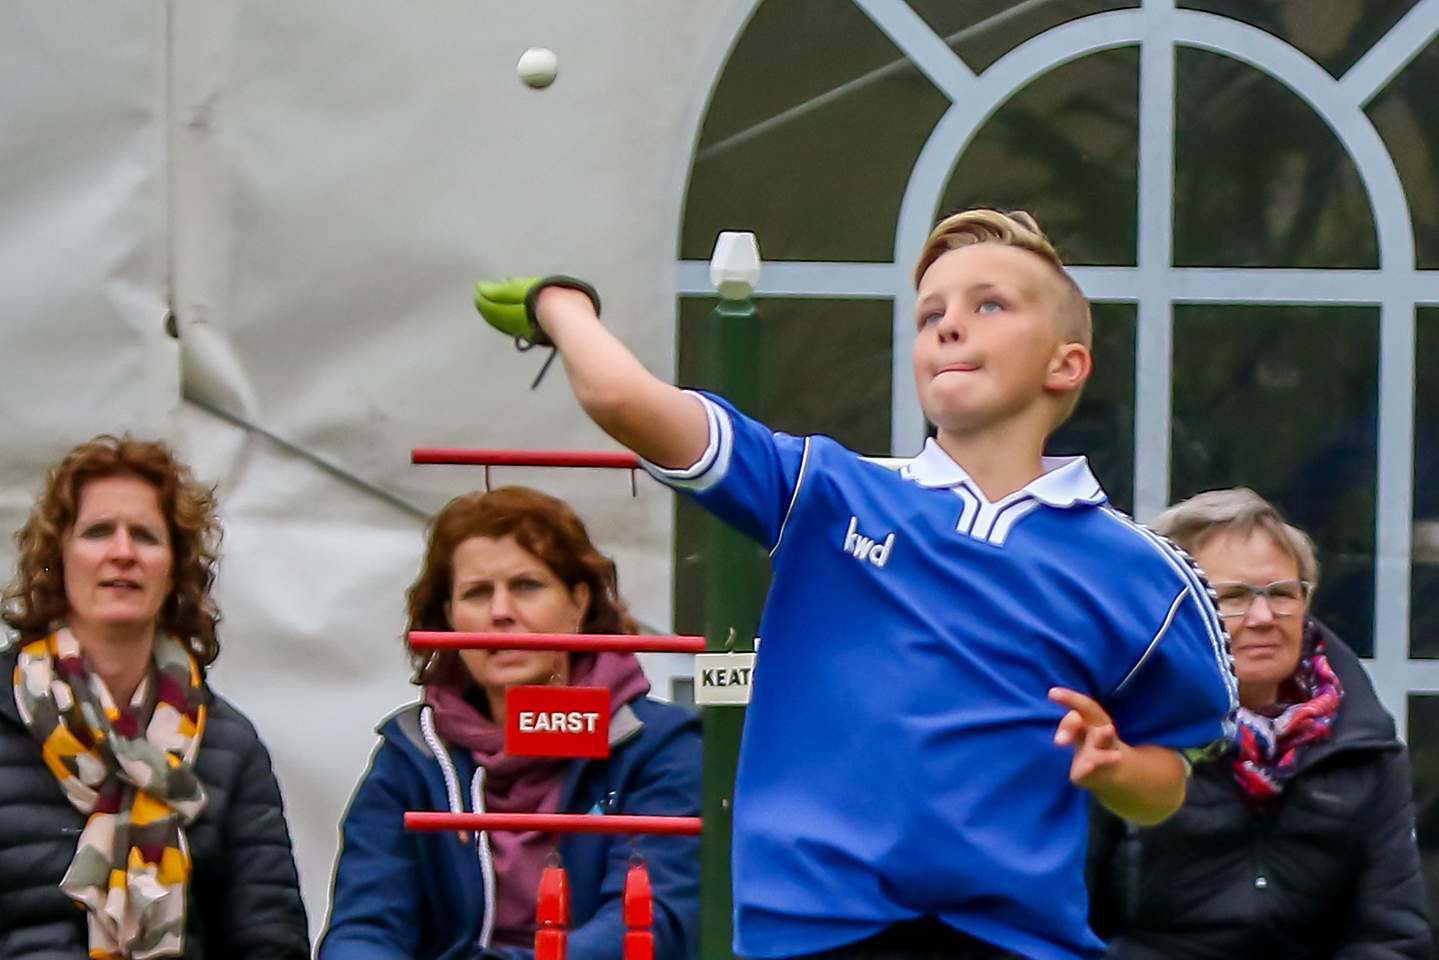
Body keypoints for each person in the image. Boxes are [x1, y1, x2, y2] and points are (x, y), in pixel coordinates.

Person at [472, 209, 1237, 960]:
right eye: (929, 314)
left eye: (988, 305)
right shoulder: (825, 491)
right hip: (812, 935)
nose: (948, 325)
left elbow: (1167, 780)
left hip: (1015, 943)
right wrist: (561, 305)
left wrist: (1115, 765)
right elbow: (623, 400)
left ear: (1064, 364)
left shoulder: (1146, 575)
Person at [319, 486, 701, 960]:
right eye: (477, 593)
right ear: (449, 619)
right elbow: (362, 928)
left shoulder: (657, 745)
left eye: (526, 586)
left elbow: (645, 925)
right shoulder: (412, 753)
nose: (500, 613)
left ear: (578, 603)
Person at [0, 434, 309, 959]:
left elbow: (269, 940)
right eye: (98, 532)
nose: (122, 553)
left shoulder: (230, 747)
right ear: (57, 559)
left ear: (175, 570)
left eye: (145, 536)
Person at [1087, 488, 1431, 958]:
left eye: (1282, 594)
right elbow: (1057, 923)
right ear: (1172, 610)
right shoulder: (1116, 733)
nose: (1264, 617)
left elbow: (1393, 935)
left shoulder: (1363, 745)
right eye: (1233, 597)